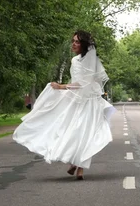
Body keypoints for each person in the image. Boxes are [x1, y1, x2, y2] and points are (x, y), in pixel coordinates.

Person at [13, 31, 115, 180]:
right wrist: (62, 89)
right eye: (73, 41)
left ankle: (79, 167)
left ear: (84, 45)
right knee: (73, 131)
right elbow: (77, 82)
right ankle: (76, 163)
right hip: (76, 100)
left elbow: (84, 84)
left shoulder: (91, 62)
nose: (73, 44)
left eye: (77, 42)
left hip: (90, 102)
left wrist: (61, 87)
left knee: (85, 133)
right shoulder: (74, 61)